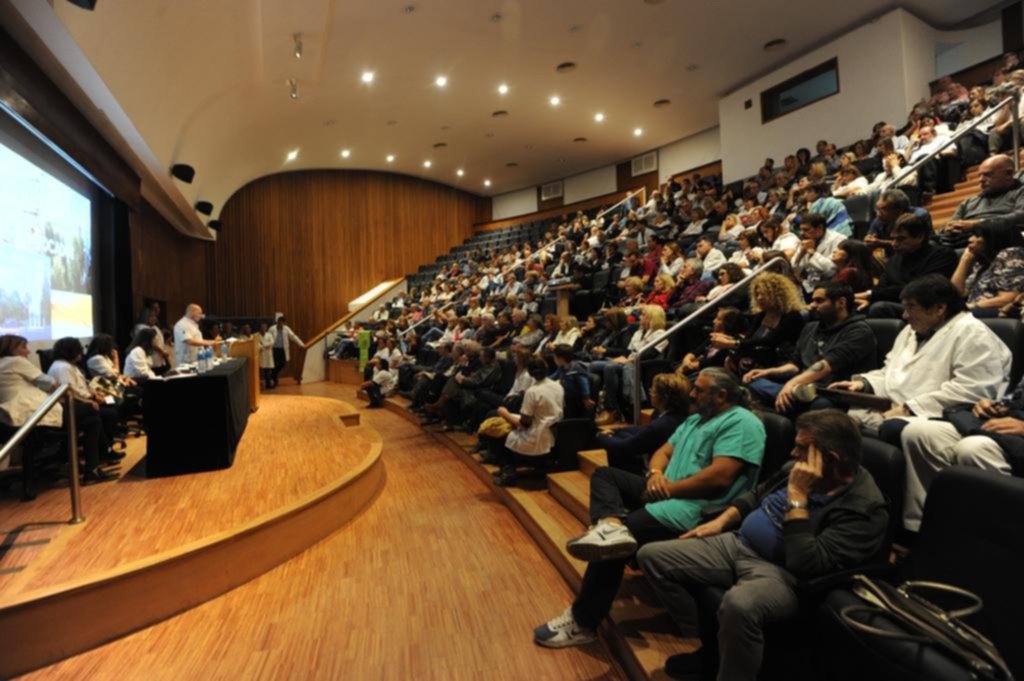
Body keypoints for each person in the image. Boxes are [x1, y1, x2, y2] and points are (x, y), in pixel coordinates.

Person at [638, 410, 888, 681]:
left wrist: (797, 496)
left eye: (802, 448)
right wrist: (720, 522)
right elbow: (756, 494)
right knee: (652, 556)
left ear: (829, 459)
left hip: (781, 573)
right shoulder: (797, 468)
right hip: (738, 542)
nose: (793, 453)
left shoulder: (865, 509)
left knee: (739, 605)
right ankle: (710, 645)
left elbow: (806, 563)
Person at [533, 368, 765, 649]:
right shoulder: (696, 419)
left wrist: (667, 489)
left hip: (695, 507)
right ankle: (609, 525)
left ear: (722, 395)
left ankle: (583, 623)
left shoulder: (743, 423)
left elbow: (719, 477)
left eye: (700, 390)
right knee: (606, 477)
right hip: (666, 492)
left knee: (613, 547)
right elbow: (664, 451)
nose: (692, 393)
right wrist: (655, 473)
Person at [831, 275, 1011, 440]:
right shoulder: (912, 328)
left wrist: (909, 409)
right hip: (894, 406)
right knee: (835, 414)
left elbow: (971, 391)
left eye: (911, 307)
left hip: (936, 415)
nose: (904, 315)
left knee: (892, 428)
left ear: (939, 308)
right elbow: (892, 370)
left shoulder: (973, 333)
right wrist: (864, 384)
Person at [898, 375, 1024, 531]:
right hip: (1009, 426)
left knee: (973, 448)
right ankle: (923, 531)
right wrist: (995, 405)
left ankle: (989, 540)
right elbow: (1016, 397)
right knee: (921, 433)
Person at [743, 283, 876, 413]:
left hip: (831, 393)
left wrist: (791, 384)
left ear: (841, 303)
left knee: (820, 405)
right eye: (812, 301)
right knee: (751, 383)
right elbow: (795, 364)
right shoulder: (811, 327)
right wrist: (767, 372)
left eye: (819, 301)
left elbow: (825, 366)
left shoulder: (859, 331)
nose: (812, 305)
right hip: (802, 388)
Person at [46, 337, 122, 481]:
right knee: (104, 413)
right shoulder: (63, 367)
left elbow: (80, 386)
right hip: (65, 408)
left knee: (94, 419)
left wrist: (93, 394)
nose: (82, 352)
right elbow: (69, 392)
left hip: (73, 405)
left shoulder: (69, 366)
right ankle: (98, 460)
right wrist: (89, 400)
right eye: (78, 349)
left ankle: (95, 463)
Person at [855, 213, 958, 318]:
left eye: (901, 239)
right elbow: (881, 287)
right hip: (899, 304)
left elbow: (921, 289)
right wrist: (868, 298)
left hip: (928, 307)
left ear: (919, 237)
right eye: (893, 239)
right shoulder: (894, 260)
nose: (894, 244)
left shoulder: (942, 255)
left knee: (880, 308)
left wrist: (871, 295)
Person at [490, 358, 565, 487]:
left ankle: (509, 473)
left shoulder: (532, 391)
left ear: (530, 374)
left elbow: (525, 423)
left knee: (500, 429)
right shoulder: (557, 385)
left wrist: (505, 414)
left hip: (536, 434)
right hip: (552, 431)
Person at [598, 373, 691, 474]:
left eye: (653, 391)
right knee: (621, 434)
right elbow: (644, 429)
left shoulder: (662, 424)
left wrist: (602, 437)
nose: (650, 393)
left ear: (663, 397)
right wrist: (616, 430)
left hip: (658, 472)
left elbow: (624, 447)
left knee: (611, 454)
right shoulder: (680, 414)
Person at [937, 154, 1024, 248]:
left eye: (987, 174)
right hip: (961, 241)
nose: (981, 180)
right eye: (979, 175)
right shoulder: (969, 202)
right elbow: (951, 223)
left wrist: (979, 224)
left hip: (994, 240)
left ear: (1008, 174)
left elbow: (1021, 215)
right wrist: (948, 228)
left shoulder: (1020, 192)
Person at [950, 223, 1024, 316]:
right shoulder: (983, 261)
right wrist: (964, 260)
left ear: (995, 238)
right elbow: (955, 294)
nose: (970, 240)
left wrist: (969, 306)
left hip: (1000, 312)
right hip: (977, 311)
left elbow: (1007, 299)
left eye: (977, 236)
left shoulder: (1013, 254)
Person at [791, 213, 845, 295]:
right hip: (809, 286)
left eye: (806, 230)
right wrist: (800, 254)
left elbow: (831, 269)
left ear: (820, 228)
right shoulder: (806, 240)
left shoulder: (839, 240)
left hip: (830, 287)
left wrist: (813, 253)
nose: (801, 233)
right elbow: (794, 268)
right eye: (801, 229)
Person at [266, 315, 304, 388]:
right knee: (274, 364)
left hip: (282, 349)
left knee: (283, 363)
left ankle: (273, 375)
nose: (281, 324)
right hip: (274, 349)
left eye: (282, 323)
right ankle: (275, 379)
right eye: (279, 322)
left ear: (284, 323)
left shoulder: (286, 329)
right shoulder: (272, 329)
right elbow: (268, 338)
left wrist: (301, 345)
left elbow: (293, 337)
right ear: (277, 322)